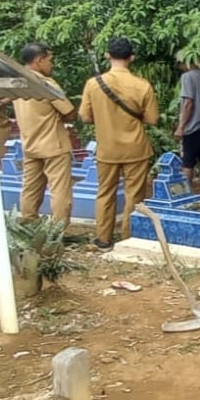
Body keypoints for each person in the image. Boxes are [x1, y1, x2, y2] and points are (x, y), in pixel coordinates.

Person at [79, 37, 160, 251]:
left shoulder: (93, 84)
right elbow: (152, 120)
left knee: (105, 192)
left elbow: (85, 117)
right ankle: (128, 238)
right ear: (131, 58)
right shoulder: (142, 85)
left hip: (107, 148)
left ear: (107, 56)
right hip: (135, 148)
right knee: (135, 195)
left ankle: (103, 239)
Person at [13, 43, 76, 227]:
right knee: (60, 192)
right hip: (53, 145)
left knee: (30, 189)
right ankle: (57, 232)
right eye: (50, 60)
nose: (52, 65)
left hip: (30, 145)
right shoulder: (45, 84)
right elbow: (70, 111)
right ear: (39, 60)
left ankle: (28, 227)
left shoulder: (17, 82)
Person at [174, 51, 200, 199]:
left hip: (193, 125)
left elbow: (188, 103)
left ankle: (186, 195)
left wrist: (181, 127)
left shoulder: (187, 77)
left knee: (188, 163)